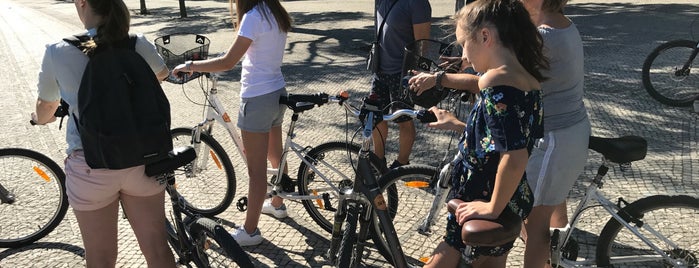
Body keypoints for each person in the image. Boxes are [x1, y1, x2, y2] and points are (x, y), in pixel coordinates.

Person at [31, 0, 174, 267]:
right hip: (143, 158)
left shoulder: (58, 51)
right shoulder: (135, 41)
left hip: (90, 164)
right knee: (157, 248)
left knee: (101, 257)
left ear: (83, 2)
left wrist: (38, 119)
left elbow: (46, 108)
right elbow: (162, 73)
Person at [419, 0, 548, 267]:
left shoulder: (495, 82)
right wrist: (456, 117)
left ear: (485, 36)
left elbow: (515, 156)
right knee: (492, 260)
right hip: (512, 194)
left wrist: (491, 208)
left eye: (464, 44)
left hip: (482, 192)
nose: (464, 57)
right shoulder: (526, 79)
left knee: (445, 255)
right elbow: (505, 134)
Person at [172, 0, 292, 246]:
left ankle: (250, 231)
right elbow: (245, 52)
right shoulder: (275, 12)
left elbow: (228, 63)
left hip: (257, 97)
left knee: (256, 171)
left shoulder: (253, 16)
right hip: (277, 91)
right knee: (276, 156)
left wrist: (190, 66)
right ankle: (278, 204)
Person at [519, 0, 590, 267]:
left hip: (555, 138)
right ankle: (560, 246)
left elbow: (507, 77)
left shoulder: (543, 36)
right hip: (569, 131)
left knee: (534, 223)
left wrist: (453, 77)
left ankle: (544, 260)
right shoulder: (564, 25)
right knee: (551, 198)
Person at [370, 0, 431, 169]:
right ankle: (378, 160)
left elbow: (422, 43)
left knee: (403, 119)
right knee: (376, 116)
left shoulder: (417, 3)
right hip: (379, 71)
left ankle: (402, 163)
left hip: (402, 73)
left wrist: (417, 74)